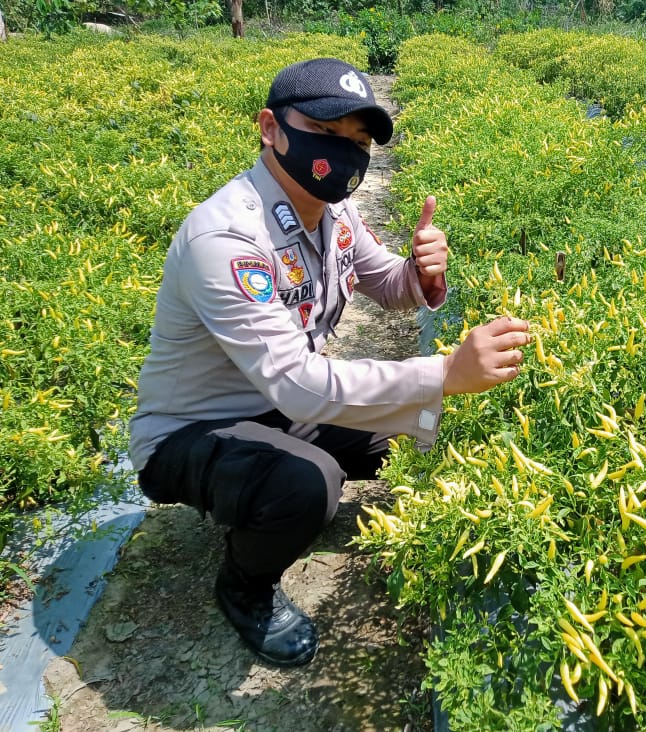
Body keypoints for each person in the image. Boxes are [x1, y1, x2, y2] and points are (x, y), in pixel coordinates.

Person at [128, 58, 531, 668]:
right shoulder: (227, 239)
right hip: (191, 431)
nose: (344, 154)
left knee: (418, 428)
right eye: (327, 132)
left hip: (280, 405)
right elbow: (299, 385)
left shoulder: (333, 212)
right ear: (270, 128)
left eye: (359, 142)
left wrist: (421, 272)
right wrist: (446, 374)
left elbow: (386, 283)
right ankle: (245, 586)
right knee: (310, 483)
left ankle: (271, 488)